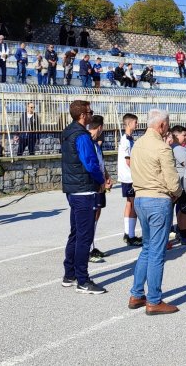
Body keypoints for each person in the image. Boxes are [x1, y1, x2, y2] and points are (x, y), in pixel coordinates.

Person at [128, 108, 181, 315]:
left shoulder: (138, 144)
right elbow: (172, 179)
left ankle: (137, 293)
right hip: (158, 199)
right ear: (161, 125)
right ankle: (154, 299)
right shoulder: (162, 148)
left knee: (148, 248)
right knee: (157, 252)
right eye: (167, 125)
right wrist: (176, 193)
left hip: (140, 197)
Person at [59, 100, 107, 294]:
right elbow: (89, 162)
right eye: (89, 112)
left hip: (73, 189)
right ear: (82, 115)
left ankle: (69, 274)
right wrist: (101, 179)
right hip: (84, 190)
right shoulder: (81, 136)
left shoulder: (68, 132)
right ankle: (82, 279)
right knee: (84, 236)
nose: (91, 115)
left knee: (76, 233)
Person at [87, 115, 111, 262]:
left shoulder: (96, 143)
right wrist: (101, 181)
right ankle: (88, 250)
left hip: (100, 183)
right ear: (100, 127)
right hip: (93, 185)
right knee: (90, 215)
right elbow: (91, 165)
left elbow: (100, 162)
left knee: (96, 215)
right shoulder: (88, 142)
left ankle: (92, 245)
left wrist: (107, 176)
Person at [118, 113, 141, 245]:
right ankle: (130, 235)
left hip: (128, 176)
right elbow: (128, 161)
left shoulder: (129, 138)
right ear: (129, 123)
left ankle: (128, 233)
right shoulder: (126, 139)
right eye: (135, 122)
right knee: (133, 204)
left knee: (129, 203)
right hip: (129, 177)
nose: (137, 125)